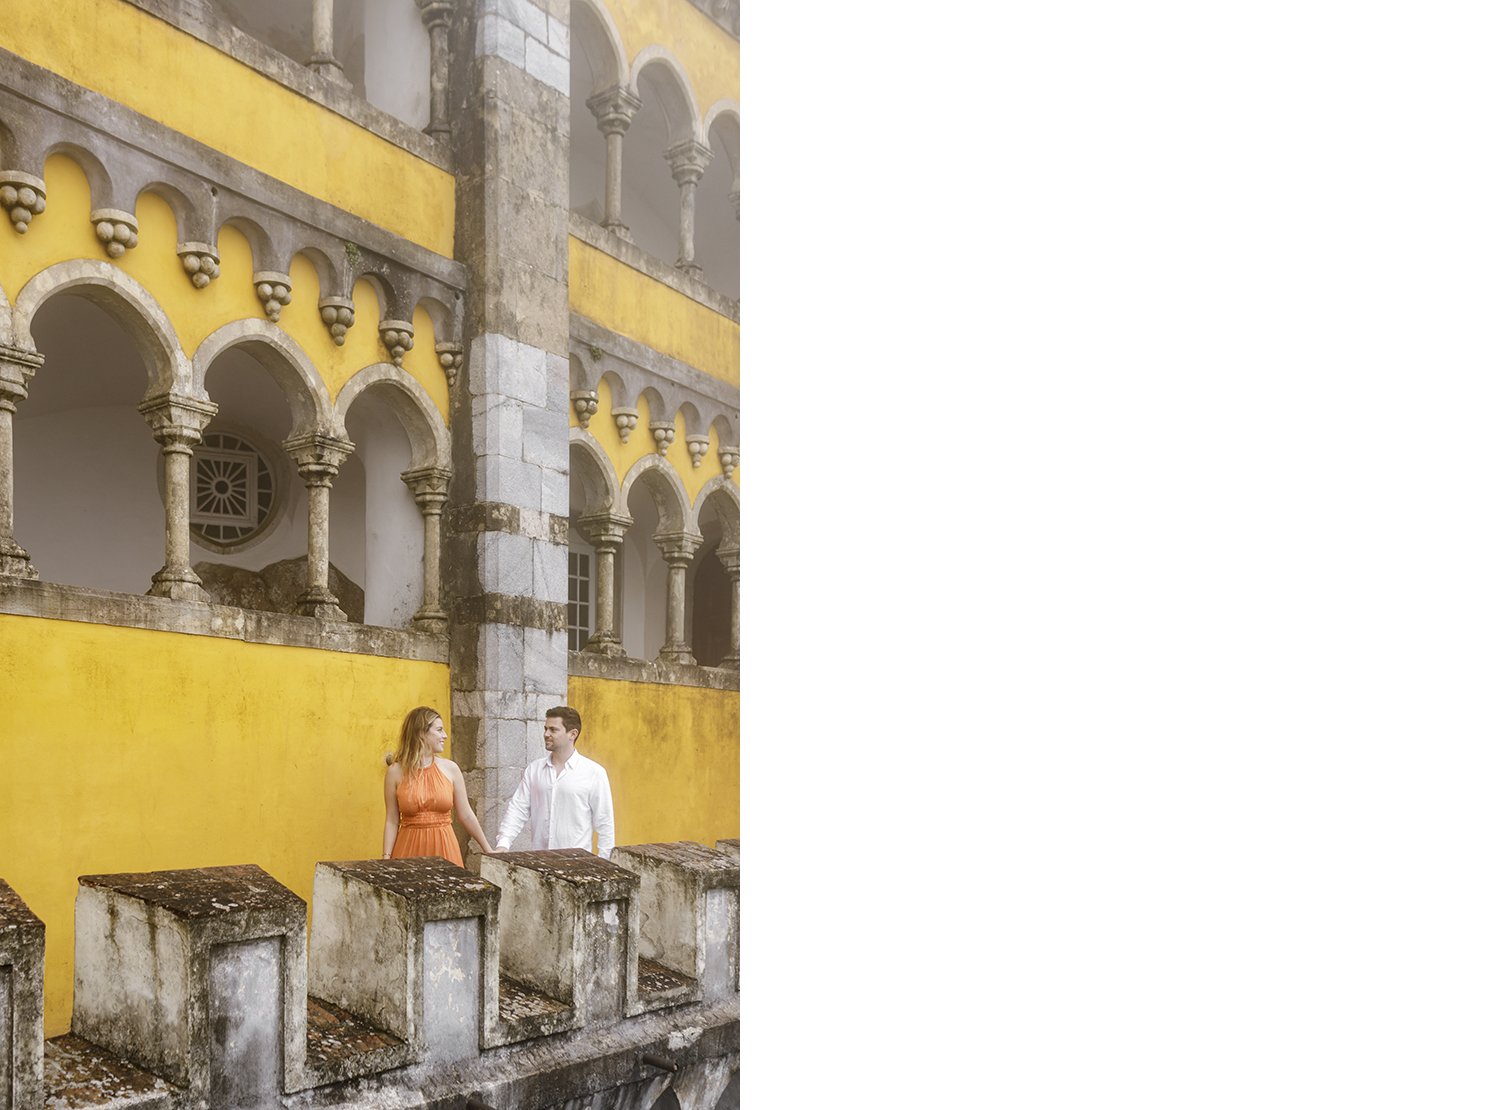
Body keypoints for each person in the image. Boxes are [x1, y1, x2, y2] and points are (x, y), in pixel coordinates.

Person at [493, 705, 615, 858]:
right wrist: (504, 843)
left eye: (553, 730)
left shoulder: (594, 772)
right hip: (540, 863)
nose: (546, 734)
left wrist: (605, 863)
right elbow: (518, 808)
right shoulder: (534, 769)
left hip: (577, 865)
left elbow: (605, 823)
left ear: (572, 734)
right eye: (545, 729)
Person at [383, 706, 491, 866]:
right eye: (439, 730)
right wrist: (386, 858)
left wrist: (488, 850)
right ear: (421, 733)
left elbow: (466, 814)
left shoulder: (451, 769)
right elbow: (392, 819)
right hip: (408, 849)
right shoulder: (395, 772)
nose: (445, 736)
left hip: (445, 848)